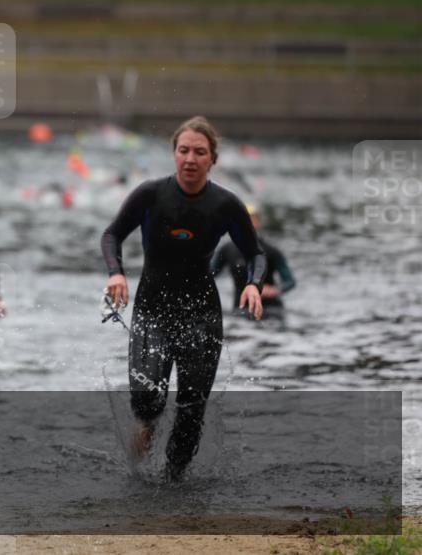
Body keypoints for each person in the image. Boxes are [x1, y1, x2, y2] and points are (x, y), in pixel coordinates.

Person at [100, 116, 266, 481]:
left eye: (200, 152)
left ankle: (175, 481)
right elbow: (112, 234)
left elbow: (255, 252)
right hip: (152, 308)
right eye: (184, 150)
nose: (191, 158)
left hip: (201, 314)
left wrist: (253, 283)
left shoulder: (225, 204)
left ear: (213, 160)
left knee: (192, 407)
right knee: (146, 398)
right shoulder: (150, 194)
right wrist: (116, 272)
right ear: (174, 154)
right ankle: (147, 424)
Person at [211, 203, 296, 319]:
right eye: (243, 218)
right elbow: (209, 274)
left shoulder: (271, 251)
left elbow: (290, 281)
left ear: (258, 222)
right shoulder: (227, 250)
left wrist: (275, 290)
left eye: (251, 218)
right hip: (240, 309)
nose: (247, 222)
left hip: (270, 310)